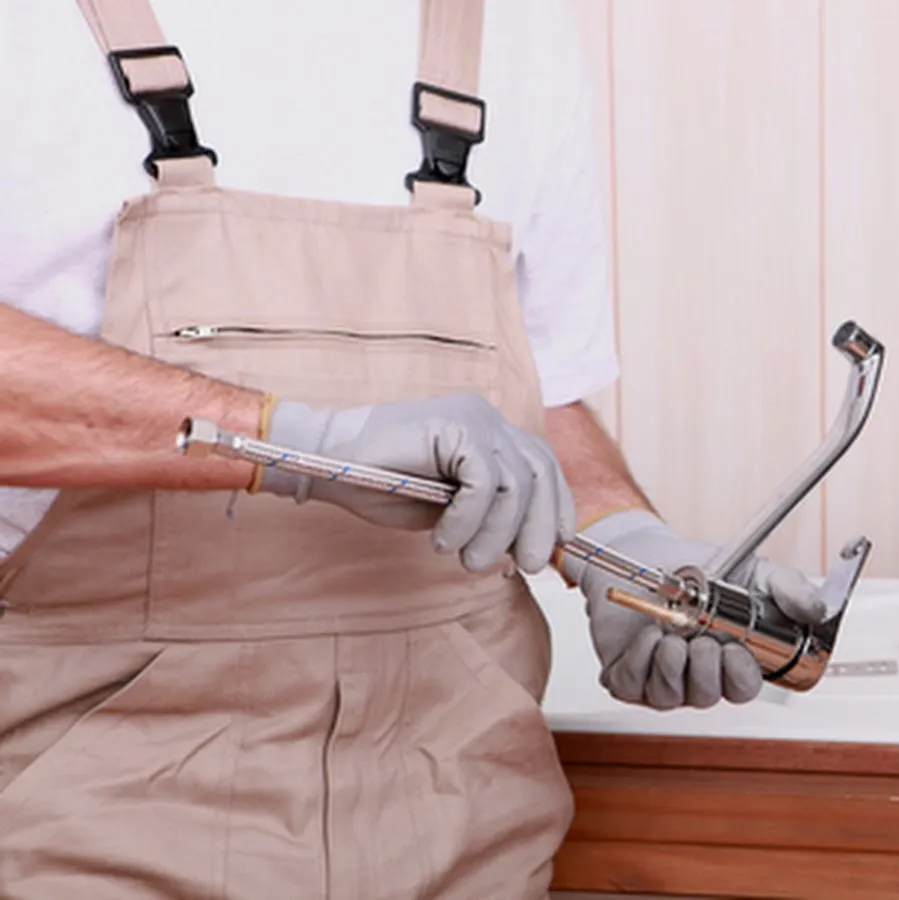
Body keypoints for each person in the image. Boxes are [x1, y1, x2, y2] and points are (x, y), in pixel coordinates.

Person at [0, 1, 825, 896]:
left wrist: (624, 540)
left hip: (466, 819)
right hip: (93, 811)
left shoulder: (515, 34)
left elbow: (538, 390)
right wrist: (297, 440)